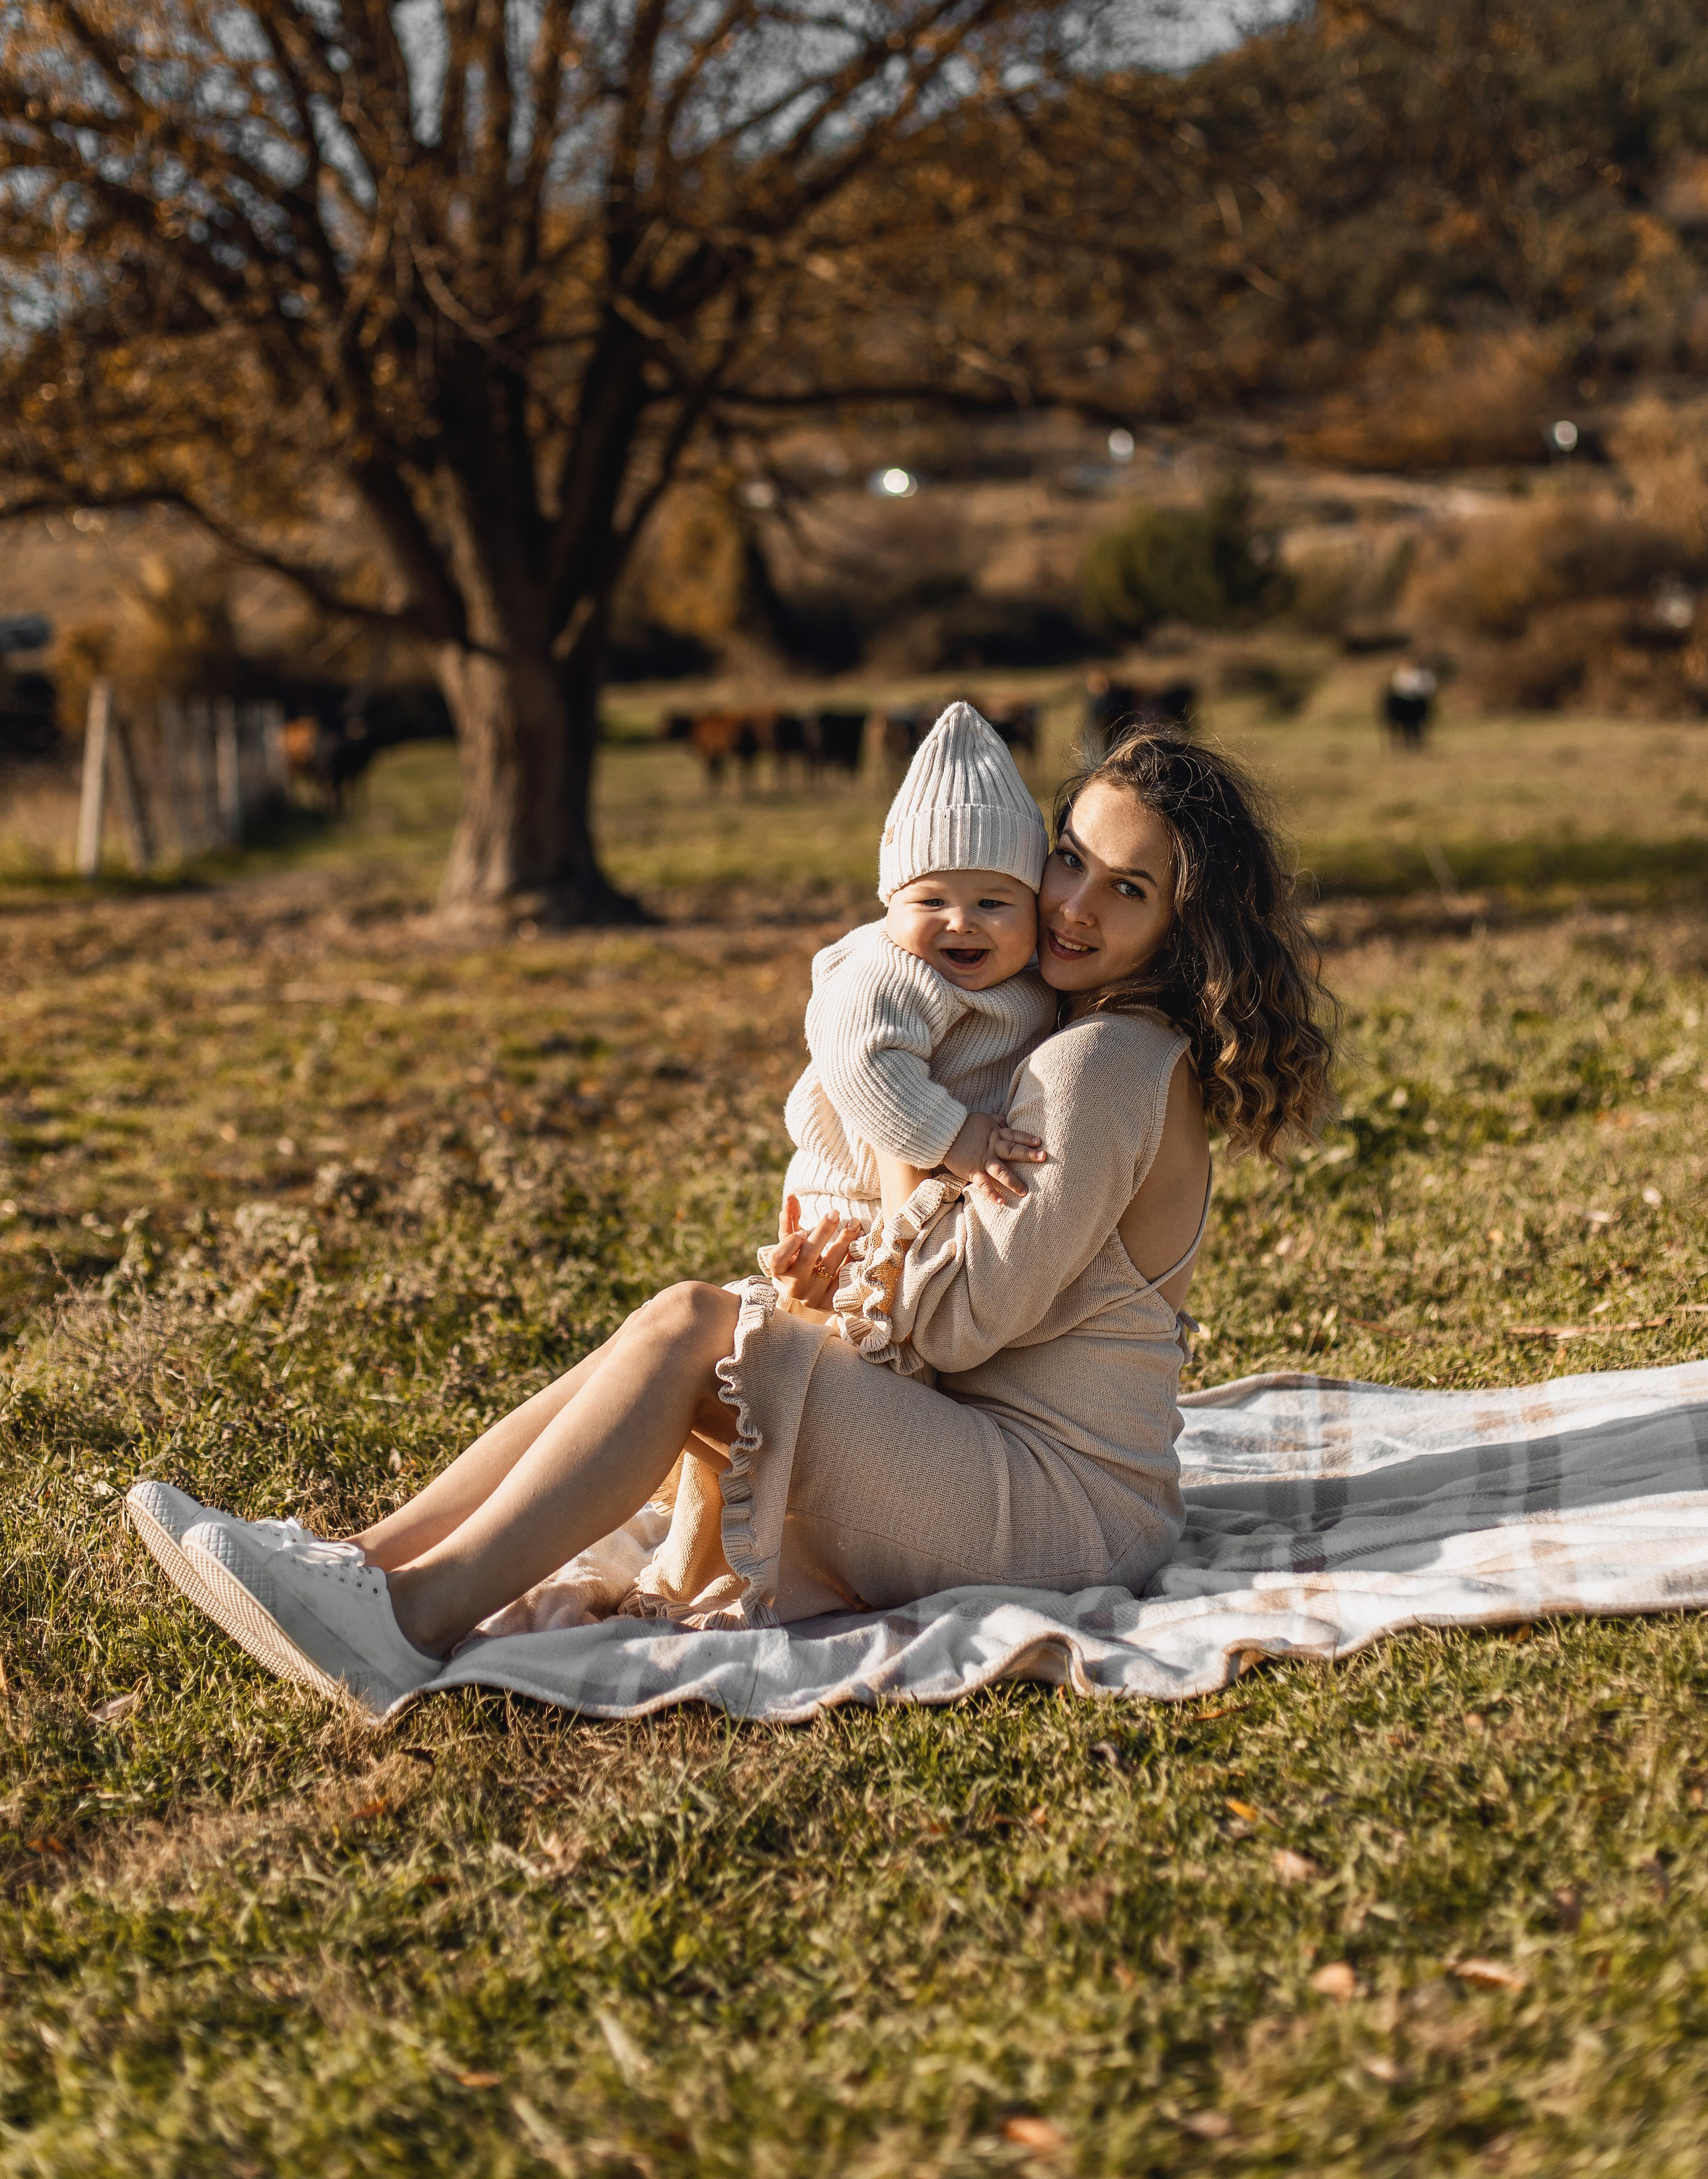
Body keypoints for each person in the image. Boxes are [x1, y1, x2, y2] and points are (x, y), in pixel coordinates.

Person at [128, 727, 1338, 1720]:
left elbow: (966, 1323)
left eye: (1129, 889)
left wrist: (890, 1143)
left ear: (1189, 923)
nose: (1072, 905)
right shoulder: (1085, 1043)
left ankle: (407, 1621)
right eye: (1070, 859)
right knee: (694, 1325)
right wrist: (852, 1267)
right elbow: (976, 1286)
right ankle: (361, 1560)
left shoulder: (1104, 1070)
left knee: (703, 1330)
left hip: (1063, 1507)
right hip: (997, 1451)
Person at [781, 698, 1055, 1235]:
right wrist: (955, 1137)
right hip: (850, 1200)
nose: (960, 922)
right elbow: (863, 1062)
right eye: (931, 903)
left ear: (1035, 908)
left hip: (952, 1188)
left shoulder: (1035, 972)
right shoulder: (887, 969)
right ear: (890, 905)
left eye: (993, 904)